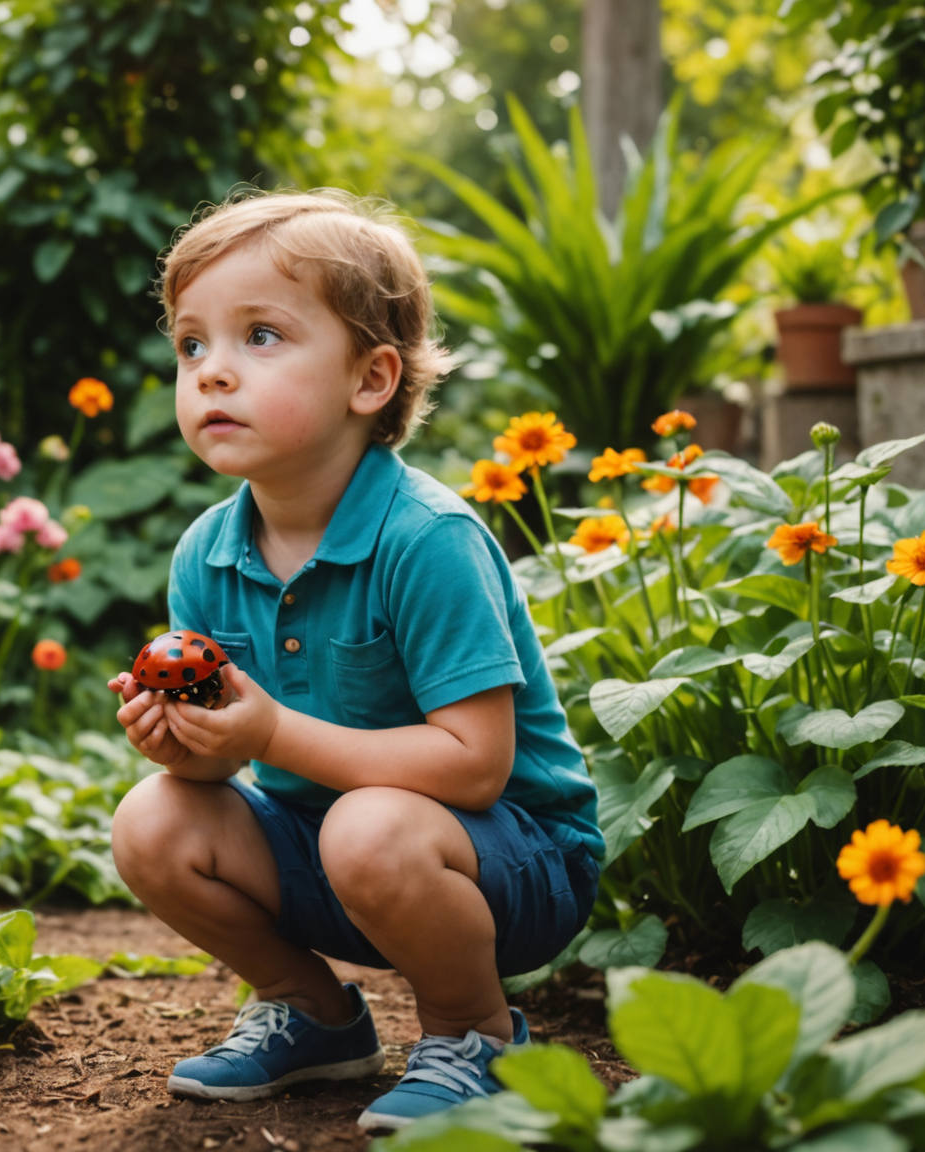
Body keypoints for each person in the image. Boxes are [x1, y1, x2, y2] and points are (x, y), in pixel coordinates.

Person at [106, 190, 601, 1133]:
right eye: (192, 344)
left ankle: (476, 1032)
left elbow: (477, 764)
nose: (211, 372)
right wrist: (187, 741)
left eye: (260, 336)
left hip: (511, 862)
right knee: (152, 822)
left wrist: (275, 731)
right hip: (331, 853)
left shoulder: (427, 539)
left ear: (370, 380)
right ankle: (314, 1013)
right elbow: (225, 765)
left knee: (369, 829)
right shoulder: (207, 551)